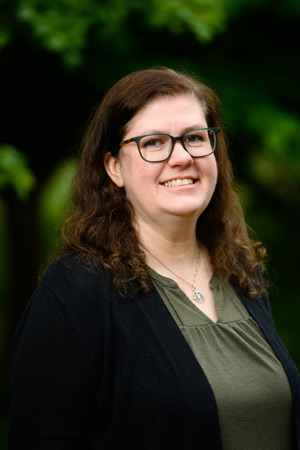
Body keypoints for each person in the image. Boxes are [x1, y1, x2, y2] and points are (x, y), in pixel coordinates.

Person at [9, 67, 300, 450]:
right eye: (154, 143)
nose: (181, 158)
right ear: (114, 167)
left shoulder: (241, 272)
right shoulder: (76, 290)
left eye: (195, 138)